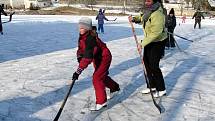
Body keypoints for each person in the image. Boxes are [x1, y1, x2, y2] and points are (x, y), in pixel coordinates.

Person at [72, 17, 120, 111]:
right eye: (79, 27)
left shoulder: (90, 39)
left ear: (87, 28)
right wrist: (79, 56)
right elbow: (81, 49)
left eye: (82, 28)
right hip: (97, 58)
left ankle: (102, 102)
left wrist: (78, 71)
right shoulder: (82, 36)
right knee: (102, 76)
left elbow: (87, 58)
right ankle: (114, 88)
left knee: (97, 78)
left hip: (104, 57)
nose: (80, 29)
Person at [128, 0, 167, 98]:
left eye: (149, 0)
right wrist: (134, 19)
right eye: (146, 0)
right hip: (149, 40)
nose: (146, 2)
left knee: (154, 65)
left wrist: (142, 44)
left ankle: (161, 89)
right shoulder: (147, 10)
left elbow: (156, 32)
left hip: (158, 41)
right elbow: (142, 18)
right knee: (146, 64)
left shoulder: (158, 13)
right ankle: (152, 86)